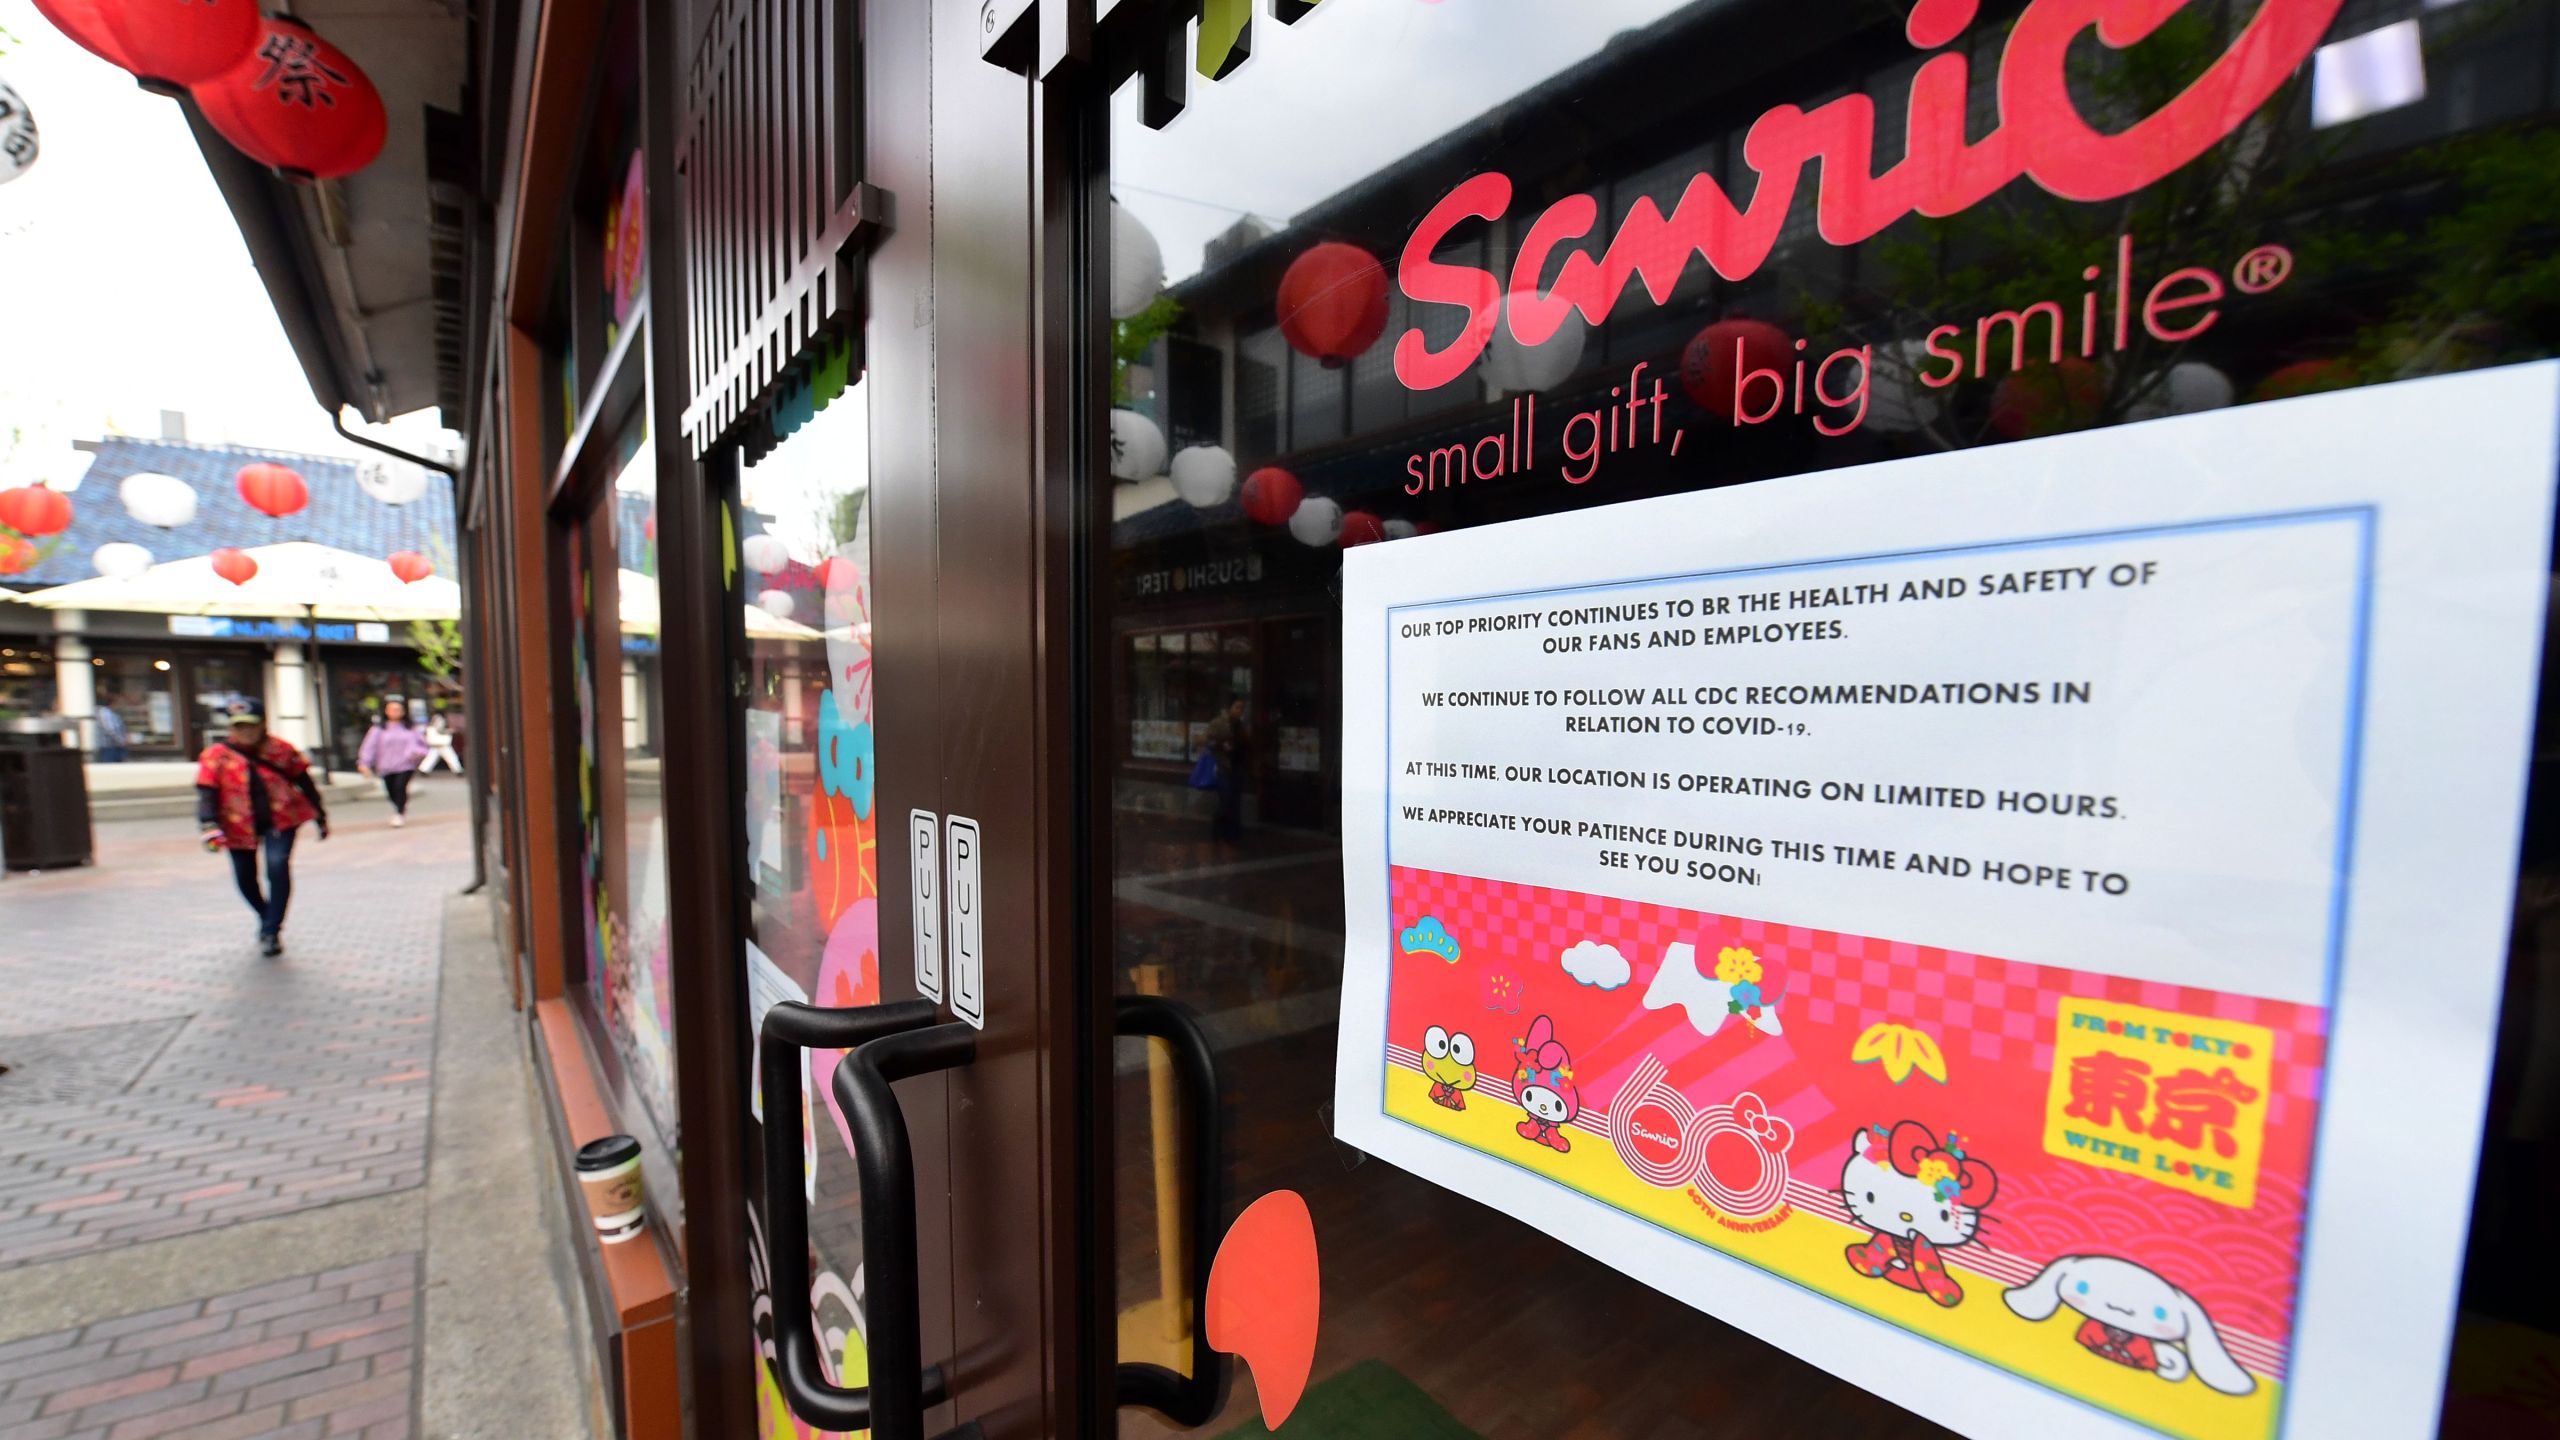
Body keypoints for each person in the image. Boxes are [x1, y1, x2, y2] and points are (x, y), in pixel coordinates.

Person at [197, 708, 329, 956]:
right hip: (236, 822)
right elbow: (206, 792)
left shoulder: (282, 749)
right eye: (239, 726)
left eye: (250, 725)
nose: (245, 731)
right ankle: (265, 914)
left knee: (277, 865)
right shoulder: (216, 756)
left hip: (281, 818)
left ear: (263, 725)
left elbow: (305, 782)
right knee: (245, 876)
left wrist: (320, 815)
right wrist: (208, 824)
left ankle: (272, 930)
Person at [358, 699, 430, 826]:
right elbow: (369, 747)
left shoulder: (410, 728)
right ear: (386, 711)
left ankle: (399, 813)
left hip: (406, 764)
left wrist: (416, 753)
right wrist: (364, 763)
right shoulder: (379, 730)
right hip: (386, 766)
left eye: (398, 709)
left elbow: (423, 745)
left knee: (400, 786)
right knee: (391, 790)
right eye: (392, 709)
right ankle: (400, 805)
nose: (395, 712)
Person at [1204, 696, 1250, 847]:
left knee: (1235, 801)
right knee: (1226, 800)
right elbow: (1207, 741)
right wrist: (1220, 745)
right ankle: (1217, 830)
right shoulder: (1219, 723)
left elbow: (1244, 744)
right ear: (1230, 707)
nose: (1239, 711)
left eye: (1242, 708)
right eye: (1237, 707)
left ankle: (1232, 834)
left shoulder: (1241, 725)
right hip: (1224, 766)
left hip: (1237, 766)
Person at [91, 692, 129, 763]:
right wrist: (121, 740)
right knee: (110, 765)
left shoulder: (113, 713)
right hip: (108, 747)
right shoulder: (105, 713)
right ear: (114, 703)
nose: (122, 705)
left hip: (115, 746)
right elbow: (110, 729)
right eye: (120, 702)